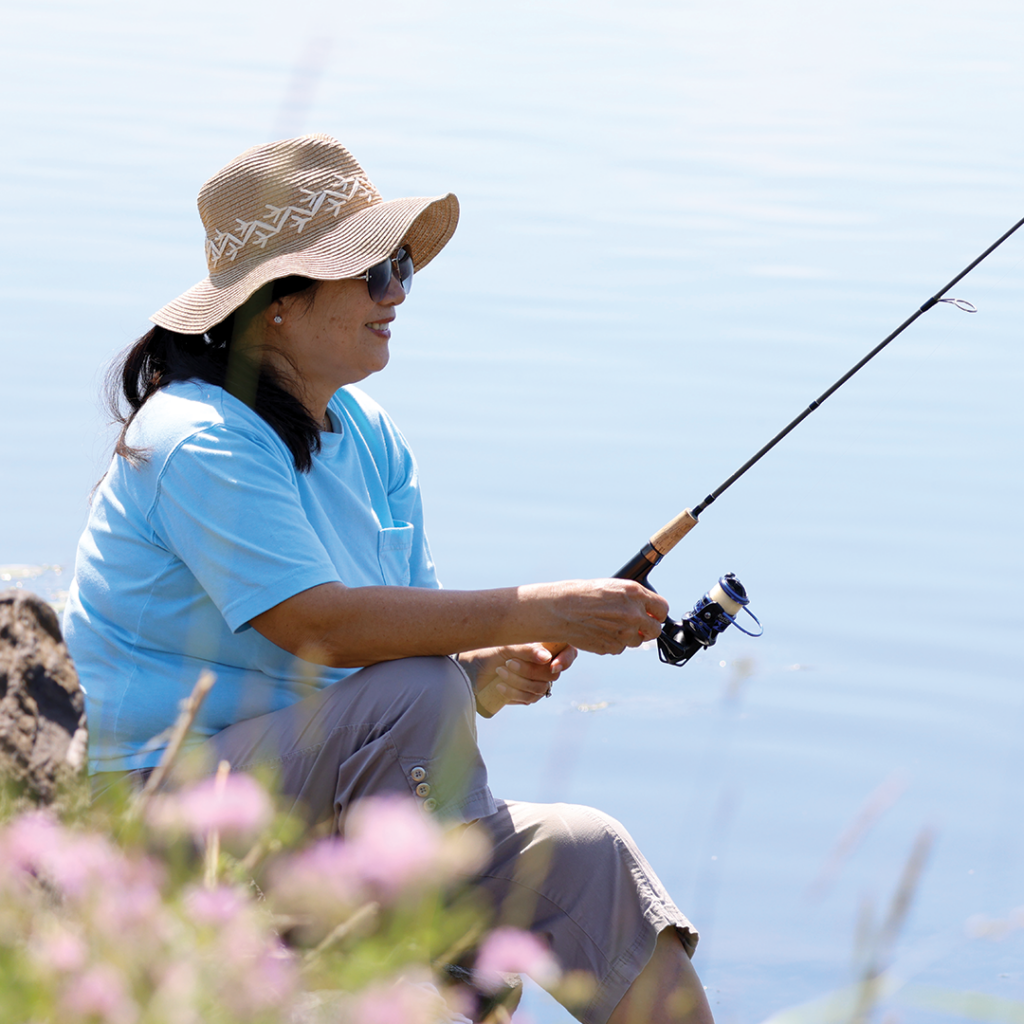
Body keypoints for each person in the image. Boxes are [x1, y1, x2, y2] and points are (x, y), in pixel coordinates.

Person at [64, 134, 715, 1024]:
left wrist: (485, 670)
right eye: (372, 273)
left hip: (322, 796)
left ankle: (441, 953)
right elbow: (317, 626)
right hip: (171, 821)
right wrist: (544, 603)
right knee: (416, 691)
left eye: (401, 265)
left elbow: (409, 646)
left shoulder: (367, 434)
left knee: (591, 852)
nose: (399, 293)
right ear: (278, 304)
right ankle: (423, 977)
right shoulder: (195, 437)